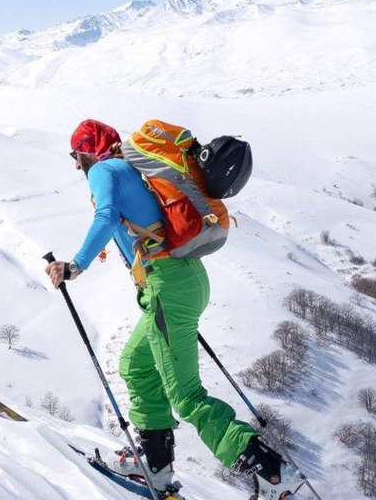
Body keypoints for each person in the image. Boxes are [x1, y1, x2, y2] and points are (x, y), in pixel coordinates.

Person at [45, 119, 303, 499]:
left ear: (88, 150)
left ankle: (274, 473)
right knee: (135, 364)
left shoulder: (104, 170)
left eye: (75, 154)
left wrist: (75, 265)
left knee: (186, 395)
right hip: (180, 281)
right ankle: (154, 464)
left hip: (169, 286)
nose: (75, 164)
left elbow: (107, 216)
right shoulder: (132, 168)